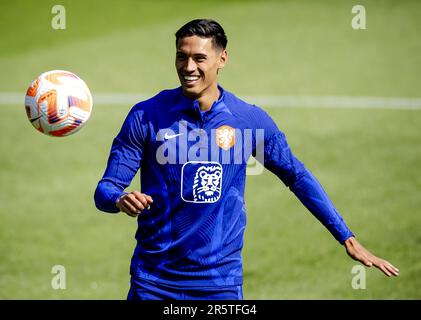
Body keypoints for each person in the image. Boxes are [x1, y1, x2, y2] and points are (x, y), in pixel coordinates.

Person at [94, 19, 399, 300]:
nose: (188, 67)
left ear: (222, 59)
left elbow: (296, 176)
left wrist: (346, 236)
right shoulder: (147, 115)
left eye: (199, 58)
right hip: (153, 282)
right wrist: (119, 199)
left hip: (218, 284)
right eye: (181, 56)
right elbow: (104, 190)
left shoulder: (248, 120)